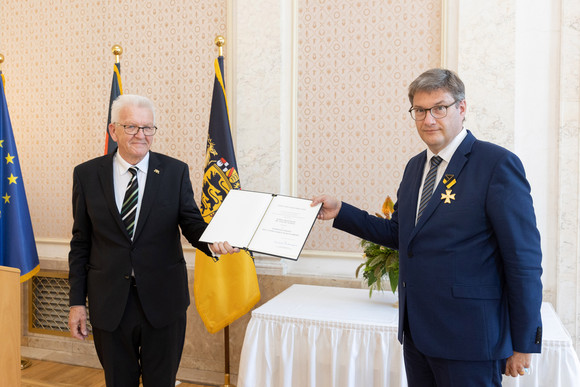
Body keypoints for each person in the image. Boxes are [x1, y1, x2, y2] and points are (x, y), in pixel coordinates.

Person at [312, 68, 543, 386]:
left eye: (439, 108)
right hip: (418, 336)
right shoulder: (414, 167)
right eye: (420, 111)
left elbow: (524, 261)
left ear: (461, 109)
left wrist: (524, 341)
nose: (429, 119)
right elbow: (400, 233)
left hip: (471, 340)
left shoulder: (496, 165)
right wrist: (342, 212)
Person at [68, 94, 237, 386]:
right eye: (132, 127)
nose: (141, 135)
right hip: (109, 302)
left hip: (163, 300)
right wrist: (75, 303)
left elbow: (192, 224)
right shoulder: (87, 174)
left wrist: (212, 241)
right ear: (113, 131)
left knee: (162, 381)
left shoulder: (174, 172)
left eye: (148, 128)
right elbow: (81, 243)